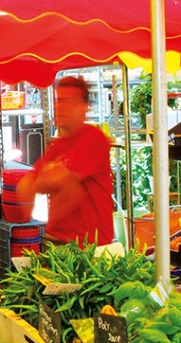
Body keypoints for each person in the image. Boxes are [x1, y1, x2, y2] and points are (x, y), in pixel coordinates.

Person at [17, 75, 114, 246]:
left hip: (91, 247)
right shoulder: (56, 147)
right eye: (58, 101)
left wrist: (43, 181)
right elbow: (24, 185)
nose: (60, 107)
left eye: (68, 102)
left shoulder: (94, 139)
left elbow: (65, 185)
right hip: (57, 241)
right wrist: (46, 180)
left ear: (84, 108)